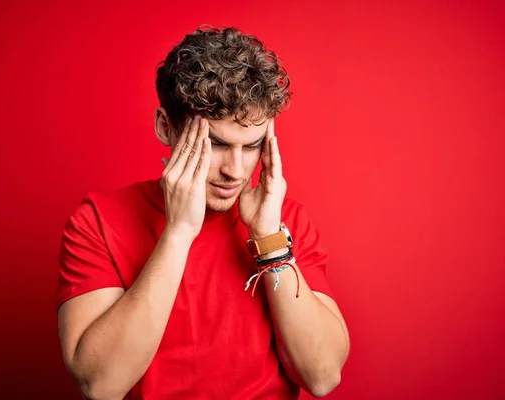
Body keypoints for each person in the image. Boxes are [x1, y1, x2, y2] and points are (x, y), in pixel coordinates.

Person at [55, 25, 350, 400]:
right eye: (217, 144)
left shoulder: (282, 222)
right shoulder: (97, 222)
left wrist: (269, 240)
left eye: (253, 146)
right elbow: (100, 385)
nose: (237, 170)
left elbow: (322, 376)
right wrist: (178, 233)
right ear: (166, 127)